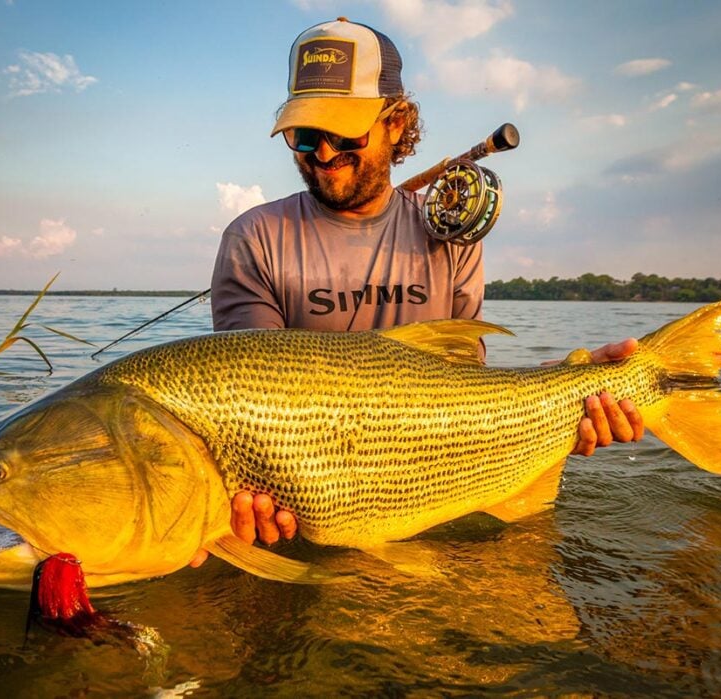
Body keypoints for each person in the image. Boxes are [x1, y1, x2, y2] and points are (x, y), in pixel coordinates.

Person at [195, 18, 642, 567]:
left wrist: (573, 387)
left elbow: (466, 391)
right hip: (314, 526)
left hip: (446, 509)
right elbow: (250, 410)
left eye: (346, 131)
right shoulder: (254, 239)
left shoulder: (449, 237)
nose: (325, 152)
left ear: (396, 123)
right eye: (305, 135)